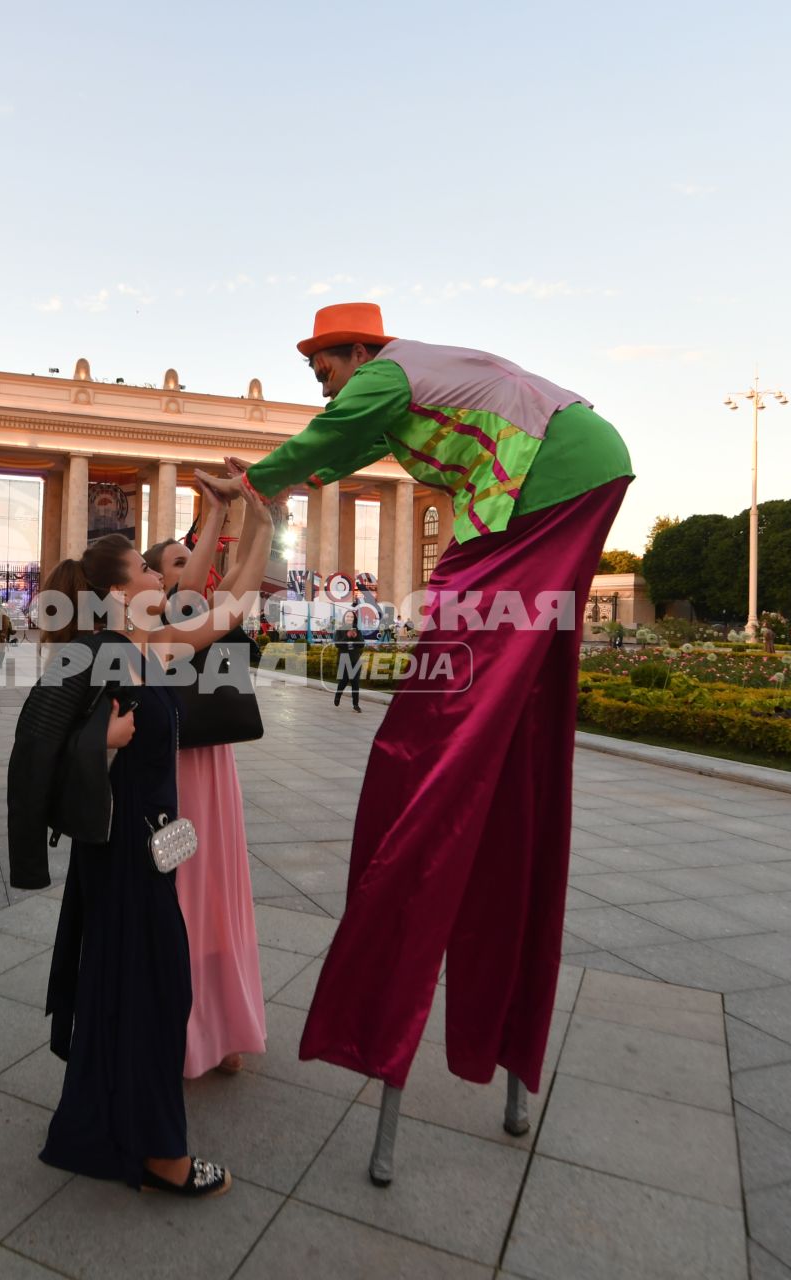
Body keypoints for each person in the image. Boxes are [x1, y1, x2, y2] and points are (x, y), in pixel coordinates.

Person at [229, 302, 631, 1173]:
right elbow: (339, 449)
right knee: (501, 719)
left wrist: (254, 482)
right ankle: (507, 1051)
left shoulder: (388, 371)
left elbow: (325, 439)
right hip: (572, 472)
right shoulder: (416, 382)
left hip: (551, 482)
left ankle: (397, 954)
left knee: (432, 735)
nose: (324, 380)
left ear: (358, 349)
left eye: (323, 364)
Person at [7, 522, 259, 1199]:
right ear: (122, 588)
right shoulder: (97, 653)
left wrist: (257, 519)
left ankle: (102, 1129)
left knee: (135, 990)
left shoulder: (149, 648)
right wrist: (103, 740)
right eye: (149, 575)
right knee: (154, 993)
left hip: (154, 849)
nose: (162, 581)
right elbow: (34, 743)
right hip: (124, 855)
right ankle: (162, 1155)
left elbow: (234, 604)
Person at [143, 473, 274, 1079]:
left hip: (214, 762)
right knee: (186, 896)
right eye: (171, 559)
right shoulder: (160, 623)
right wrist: (224, 515)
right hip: (174, 768)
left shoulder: (192, 611)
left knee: (219, 893)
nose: (189, 563)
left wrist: (250, 518)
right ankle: (189, 1028)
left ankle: (222, 1025)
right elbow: (208, 580)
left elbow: (239, 578)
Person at [333, 614, 366, 712]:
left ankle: (356, 705)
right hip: (344, 659)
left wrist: (355, 637)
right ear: (344, 618)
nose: (349, 618)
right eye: (347, 616)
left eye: (351, 617)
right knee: (343, 681)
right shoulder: (340, 630)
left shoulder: (357, 630)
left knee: (355, 683)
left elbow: (362, 644)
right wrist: (347, 636)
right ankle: (338, 695)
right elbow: (337, 644)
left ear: (354, 619)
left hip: (355, 660)